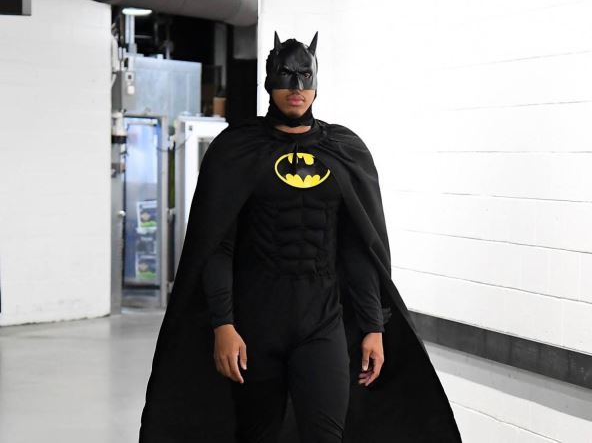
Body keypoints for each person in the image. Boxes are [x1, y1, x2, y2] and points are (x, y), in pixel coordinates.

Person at [139, 31, 463, 443]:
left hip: (322, 320)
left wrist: (373, 326)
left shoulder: (343, 150)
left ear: (316, 81)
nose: (296, 87)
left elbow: (358, 248)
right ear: (269, 80)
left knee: (326, 435)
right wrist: (223, 324)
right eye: (286, 75)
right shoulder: (238, 150)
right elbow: (217, 245)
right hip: (255, 323)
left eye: (304, 76)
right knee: (257, 435)